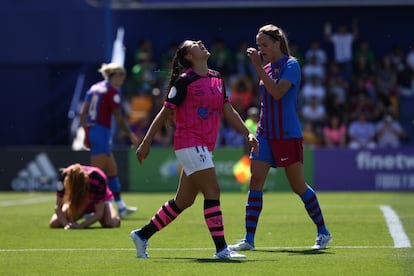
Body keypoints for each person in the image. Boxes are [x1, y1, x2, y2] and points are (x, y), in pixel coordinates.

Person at [129, 40, 259, 259]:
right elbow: (163, 113)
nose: (200, 43)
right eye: (194, 44)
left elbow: (228, 110)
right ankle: (221, 249)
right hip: (189, 143)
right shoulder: (184, 82)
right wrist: (145, 142)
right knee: (213, 191)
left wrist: (247, 132)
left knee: (184, 201)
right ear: (189, 57)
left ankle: (142, 235)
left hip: (203, 147)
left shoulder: (217, 77)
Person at [230, 24, 332, 251]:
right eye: (258, 45)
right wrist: (261, 67)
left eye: (265, 44)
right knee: (255, 182)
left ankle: (323, 232)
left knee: (298, 186)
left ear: (277, 43)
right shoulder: (266, 67)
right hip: (264, 134)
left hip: (287, 134)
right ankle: (249, 239)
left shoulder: (292, 65)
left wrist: (257, 67)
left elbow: (277, 93)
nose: (261, 49)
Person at [80, 63, 139, 218]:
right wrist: (131, 135)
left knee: (112, 171)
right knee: (95, 176)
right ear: (116, 75)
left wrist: (87, 132)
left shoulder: (94, 88)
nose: (123, 79)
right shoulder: (112, 91)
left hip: (95, 131)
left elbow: (82, 113)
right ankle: (87, 209)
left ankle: (120, 206)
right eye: (122, 76)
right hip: (102, 132)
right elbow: (119, 119)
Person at [49, 164, 121, 229]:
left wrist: (81, 225)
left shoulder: (97, 178)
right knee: (55, 223)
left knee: (109, 222)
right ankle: (86, 215)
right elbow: (58, 207)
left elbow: (99, 212)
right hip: (76, 202)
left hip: (99, 202)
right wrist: (66, 225)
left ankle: (113, 214)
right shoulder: (64, 177)